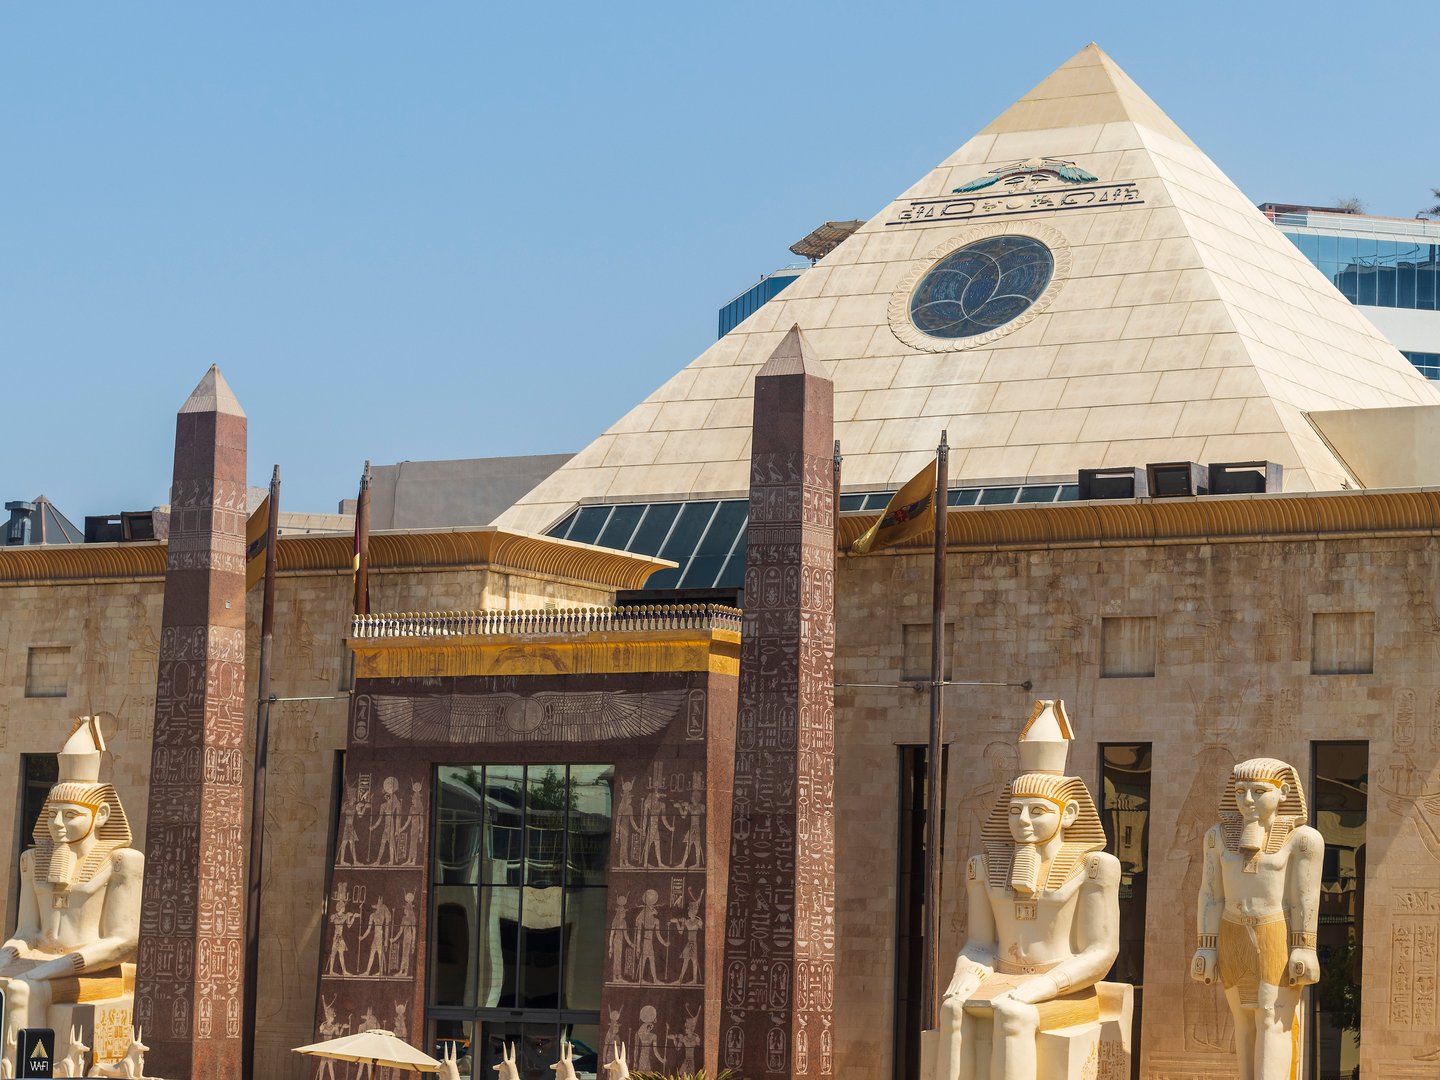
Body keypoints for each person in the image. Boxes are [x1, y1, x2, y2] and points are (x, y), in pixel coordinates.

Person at [936, 701, 1121, 1080]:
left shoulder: (1095, 866)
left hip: (1063, 984)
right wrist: (966, 973)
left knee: (1013, 1013)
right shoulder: (983, 866)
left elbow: (1101, 951)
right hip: (1003, 975)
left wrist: (1042, 986)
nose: (1022, 821)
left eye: (1037, 811)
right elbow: (980, 944)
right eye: (1014, 810)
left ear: (1068, 814)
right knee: (952, 1009)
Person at [0, 718, 144, 1045]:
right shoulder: (32, 859)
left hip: (95, 969)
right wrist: (7, 954)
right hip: (41, 961)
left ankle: (25, 1068)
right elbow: (26, 933)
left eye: (70, 815)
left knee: (23, 991)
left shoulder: (122, 861)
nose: (57, 824)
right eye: (51, 814)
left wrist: (59, 966)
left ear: (102, 814)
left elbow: (123, 941)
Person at [1191, 758, 1321, 1080]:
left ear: (1284, 792)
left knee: (1272, 1020)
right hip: (1231, 930)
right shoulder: (1216, 837)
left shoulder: (1302, 839)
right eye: (1240, 792)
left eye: (1259, 791)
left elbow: (1305, 896)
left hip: (1274, 931)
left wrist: (1304, 946)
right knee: (1242, 1021)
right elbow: (1210, 894)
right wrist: (1206, 946)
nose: (1247, 801)